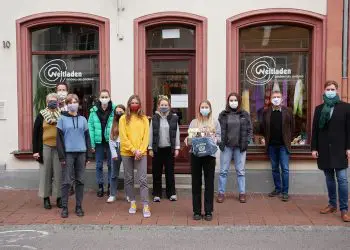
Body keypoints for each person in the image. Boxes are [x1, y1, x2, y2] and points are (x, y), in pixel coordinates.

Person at [311, 80, 350, 222]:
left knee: (342, 180)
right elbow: (315, 130)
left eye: (333, 89)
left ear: (337, 90)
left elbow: (349, 130)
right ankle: (332, 204)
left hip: (340, 149)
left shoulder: (346, 108)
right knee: (329, 179)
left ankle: (344, 209)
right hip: (324, 149)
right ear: (324, 90)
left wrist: (348, 147)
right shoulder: (319, 109)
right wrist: (314, 148)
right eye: (328, 89)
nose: (330, 91)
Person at [57, 94, 91, 218]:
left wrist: (88, 155)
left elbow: (87, 137)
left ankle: (78, 206)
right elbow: (59, 140)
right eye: (70, 101)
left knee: (80, 181)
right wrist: (61, 156)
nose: (73, 103)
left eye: (75, 101)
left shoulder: (83, 119)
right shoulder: (62, 119)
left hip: (81, 153)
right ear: (67, 104)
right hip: (68, 154)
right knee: (66, 181)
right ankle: (65, 207)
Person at [185, 100, 221, 221]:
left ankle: (208, 211)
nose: (204, 109)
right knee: (196, 183)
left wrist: (213, 138)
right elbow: (189, 138)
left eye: (206, 107)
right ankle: (196, 211)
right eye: (202, 107)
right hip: (196, 155)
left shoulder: (215, 122)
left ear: (210, 109)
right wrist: (187, 139)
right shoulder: (194, 122)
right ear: (199, 109)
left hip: (209, 155)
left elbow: (220, 138)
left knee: (209, 183)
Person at [217, 92, 252, 203]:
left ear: (239, 101)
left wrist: (247, 141)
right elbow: (218, 130)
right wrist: (220, 142)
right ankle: (221, 193)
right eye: (231, 100)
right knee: (223, 171)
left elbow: (250, 130)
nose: (233, 102)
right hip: (227, 146)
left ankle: (242, 193)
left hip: (240, 147)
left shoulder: (244, 114)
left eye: (235, 100)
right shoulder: (223, 115)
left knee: (241, 171)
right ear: (228, 102)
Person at [119, 95, 151, 218]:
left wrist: (140, 151)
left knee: (143, 179)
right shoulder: (123, 118)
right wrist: (133, 150)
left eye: (136, 102)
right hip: (127, 152)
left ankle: (145, 204)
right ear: (128, 104)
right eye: (132, 102)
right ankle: (132, 202)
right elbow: (123, 136)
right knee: (128, 179)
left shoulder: (144, 119)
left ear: (140, 105)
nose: (134, 104)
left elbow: (146, 137)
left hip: (141, 153)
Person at [262, 90, 294, 202]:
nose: (276, 99)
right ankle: (277, 189)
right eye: (274, 97)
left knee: (285, 168)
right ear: (271, 99)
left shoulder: (288, 111)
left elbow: (292, 127)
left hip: (283, 145)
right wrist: (264, 138)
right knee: (275, 168)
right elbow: (263, 127)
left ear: (282, 98)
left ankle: (285, 192)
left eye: (278, 97)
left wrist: (289, 140)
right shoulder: (266, 112)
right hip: (271, 145)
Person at [33, 93, 62, 209]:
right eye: (50, 100)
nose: (52, 102)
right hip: (45, 147)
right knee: (46, 174)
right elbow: (35, 134)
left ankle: (59, 198)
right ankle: (46, 198)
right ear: (46, 102)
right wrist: (35, 151)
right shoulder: (41, 115)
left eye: (54, 100)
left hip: (59, 147)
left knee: (59, 173)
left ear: (58, 102)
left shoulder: (62, 114)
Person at [149, 96, 180, 202]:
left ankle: (171, 193)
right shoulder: (154, 118)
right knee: (156, 172)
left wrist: (176, 147)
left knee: (170, 172)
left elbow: (176, 134)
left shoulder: (174, 118)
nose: (164, 106)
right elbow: (151, 133)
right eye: (162, 105)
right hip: (157, 149)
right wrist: (150, 148)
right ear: (158, 106)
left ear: (169, 106)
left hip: (168, 149)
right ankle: (156, 193)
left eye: (166, 105)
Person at [88, 89, 116, 197]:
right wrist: (92, 144)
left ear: (109, 97)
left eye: (106, 96)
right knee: (98, 165)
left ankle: (110, 186)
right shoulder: (93, 110)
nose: (104, 99)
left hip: (110, 141)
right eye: (102, 97)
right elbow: (90, 127)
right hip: (98, 141)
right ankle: (100, 186)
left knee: (110, 164)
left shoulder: (114, 109)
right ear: (99, 98)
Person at [106, 104, 126, 203]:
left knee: (128, 174)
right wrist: (113, 153)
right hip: (116, 148)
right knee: (114, 173)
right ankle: (112, 194)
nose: (119, 114)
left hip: (126, 148)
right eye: (117, 112)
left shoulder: (128, 122)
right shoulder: (112, 124)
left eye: (121, 112)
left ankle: (128, 195)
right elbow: (110, 139)